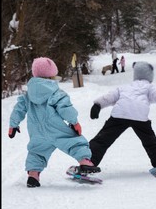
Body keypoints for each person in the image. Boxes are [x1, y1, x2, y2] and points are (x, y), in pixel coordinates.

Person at [8, 57, 100, 188]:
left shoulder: (27, 95)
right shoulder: (56, 93)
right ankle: (85, 161)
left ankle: (33, 175)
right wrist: (74, 122)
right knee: (74, 141)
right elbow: (65, 109)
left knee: (37, 151)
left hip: (37, 131)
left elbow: (18, 110)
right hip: (55, 128)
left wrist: (13, 125)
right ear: (52, 75)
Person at [88, 62, 156, 178]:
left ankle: (88, 162)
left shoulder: (125, 87)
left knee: (102, 139)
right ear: (150, 76)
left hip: (120, 114)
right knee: (150, 141)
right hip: (139, 115)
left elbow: (109, 97)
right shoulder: (149, 86)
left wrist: (97, 105)